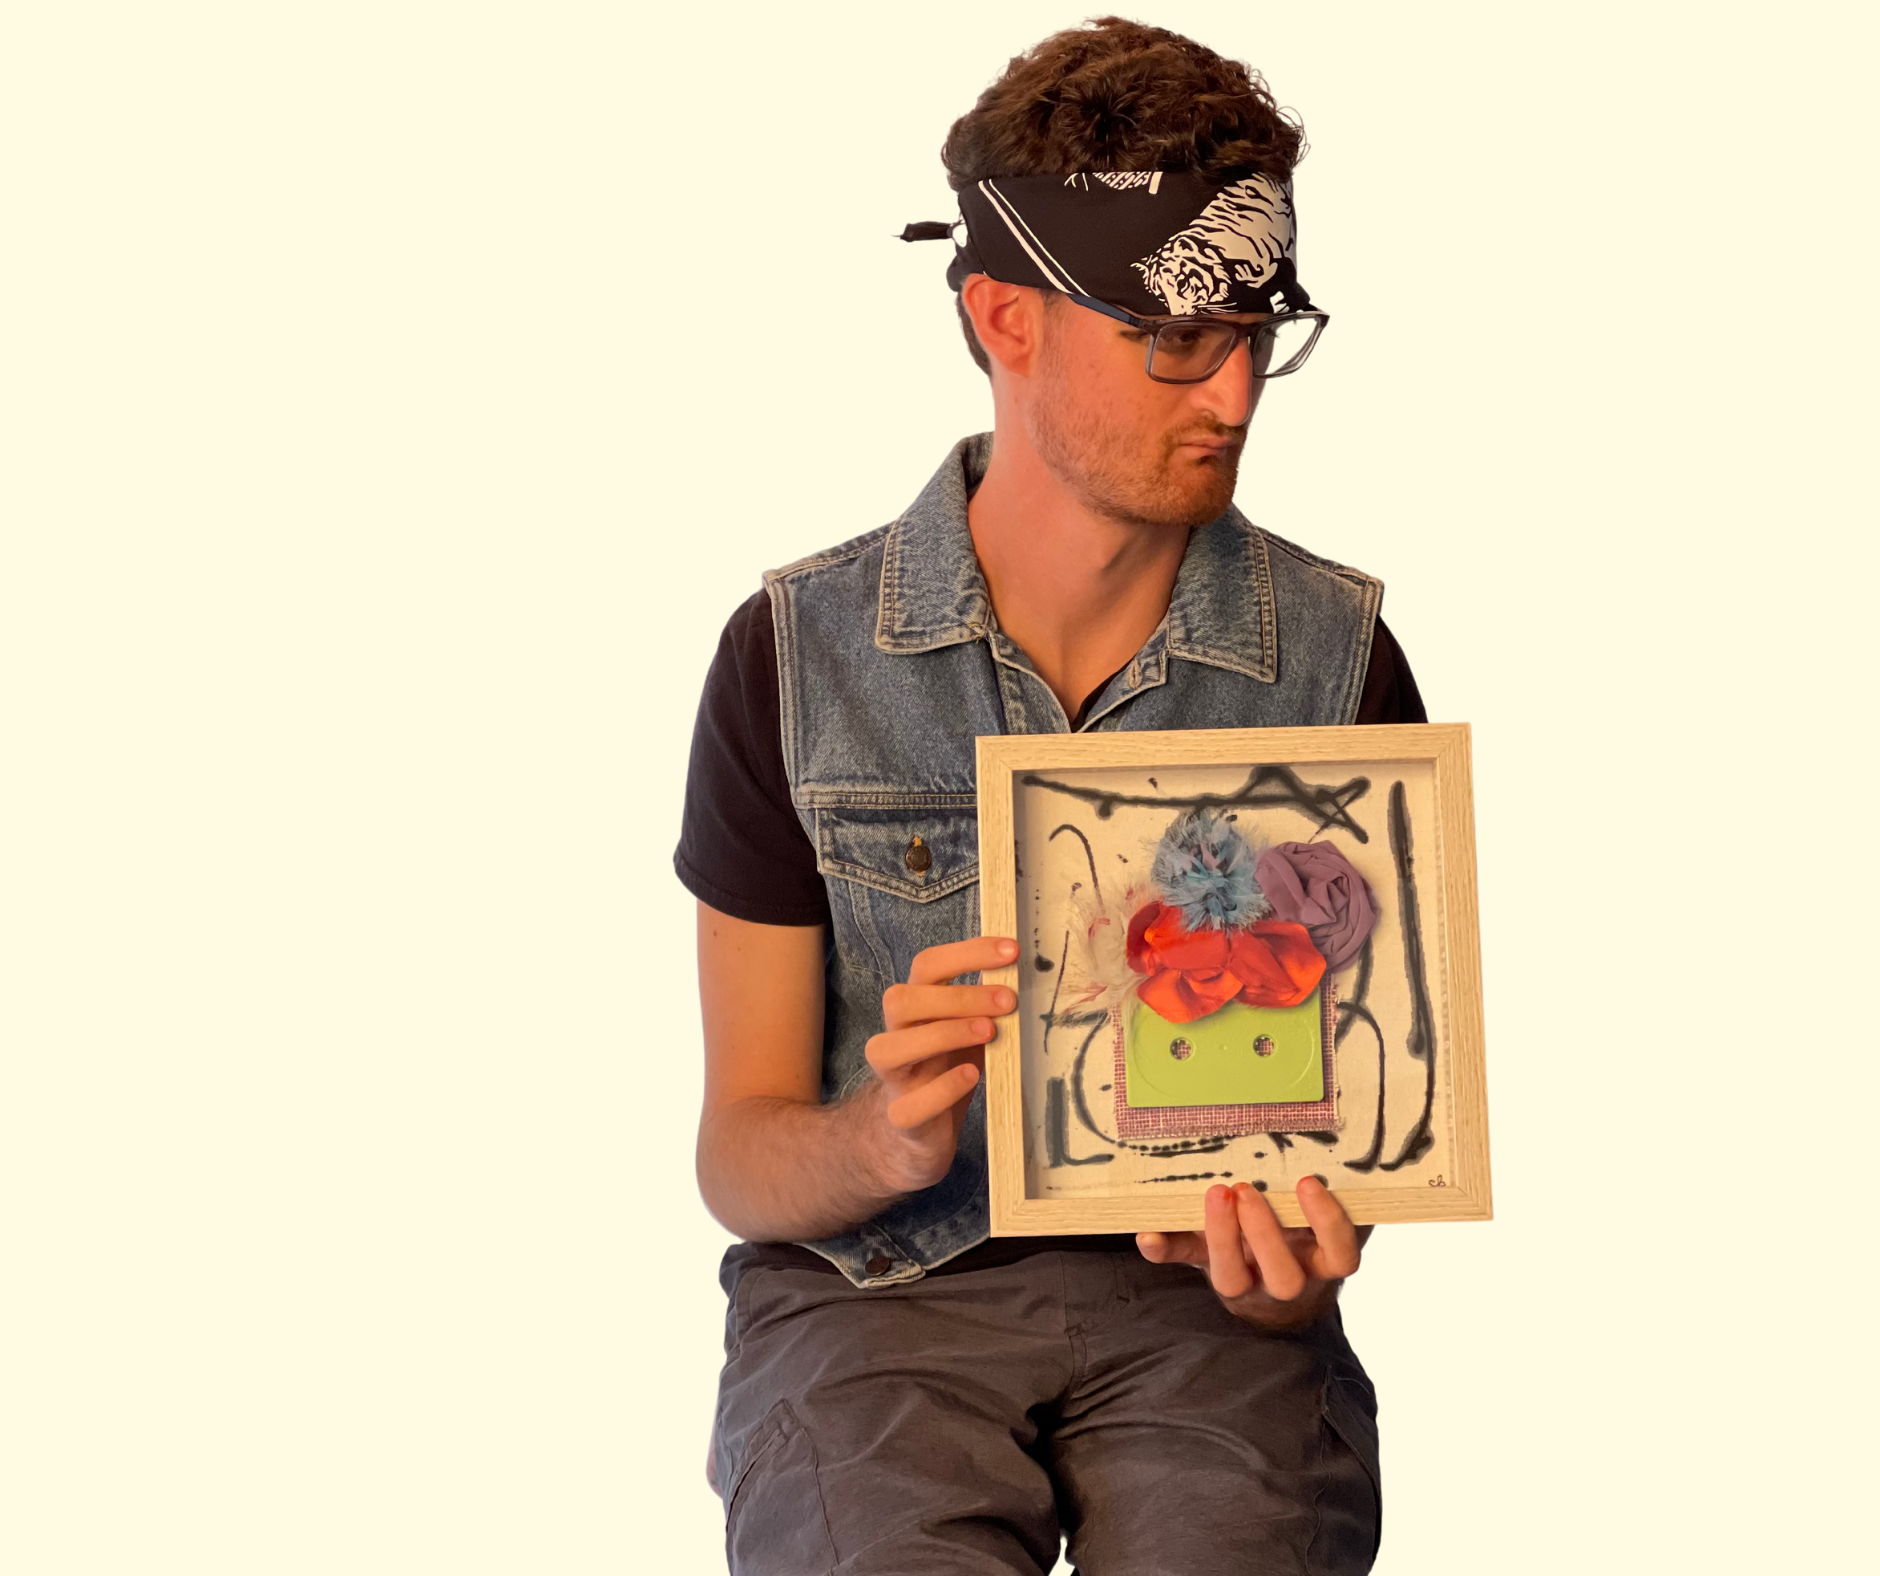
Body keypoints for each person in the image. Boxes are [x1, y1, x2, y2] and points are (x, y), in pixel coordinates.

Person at [675, 17, 1425, 1573]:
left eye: (1259, 329)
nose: (1233, 392)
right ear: (1005, 315)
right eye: (1174, 336)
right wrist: (877, 1141)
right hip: (877, 1296)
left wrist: (1300, 1264)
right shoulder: (792, 659)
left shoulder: (1342, 660)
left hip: (1203, 1320)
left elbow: (1364, 1129)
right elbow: (739, 1154)